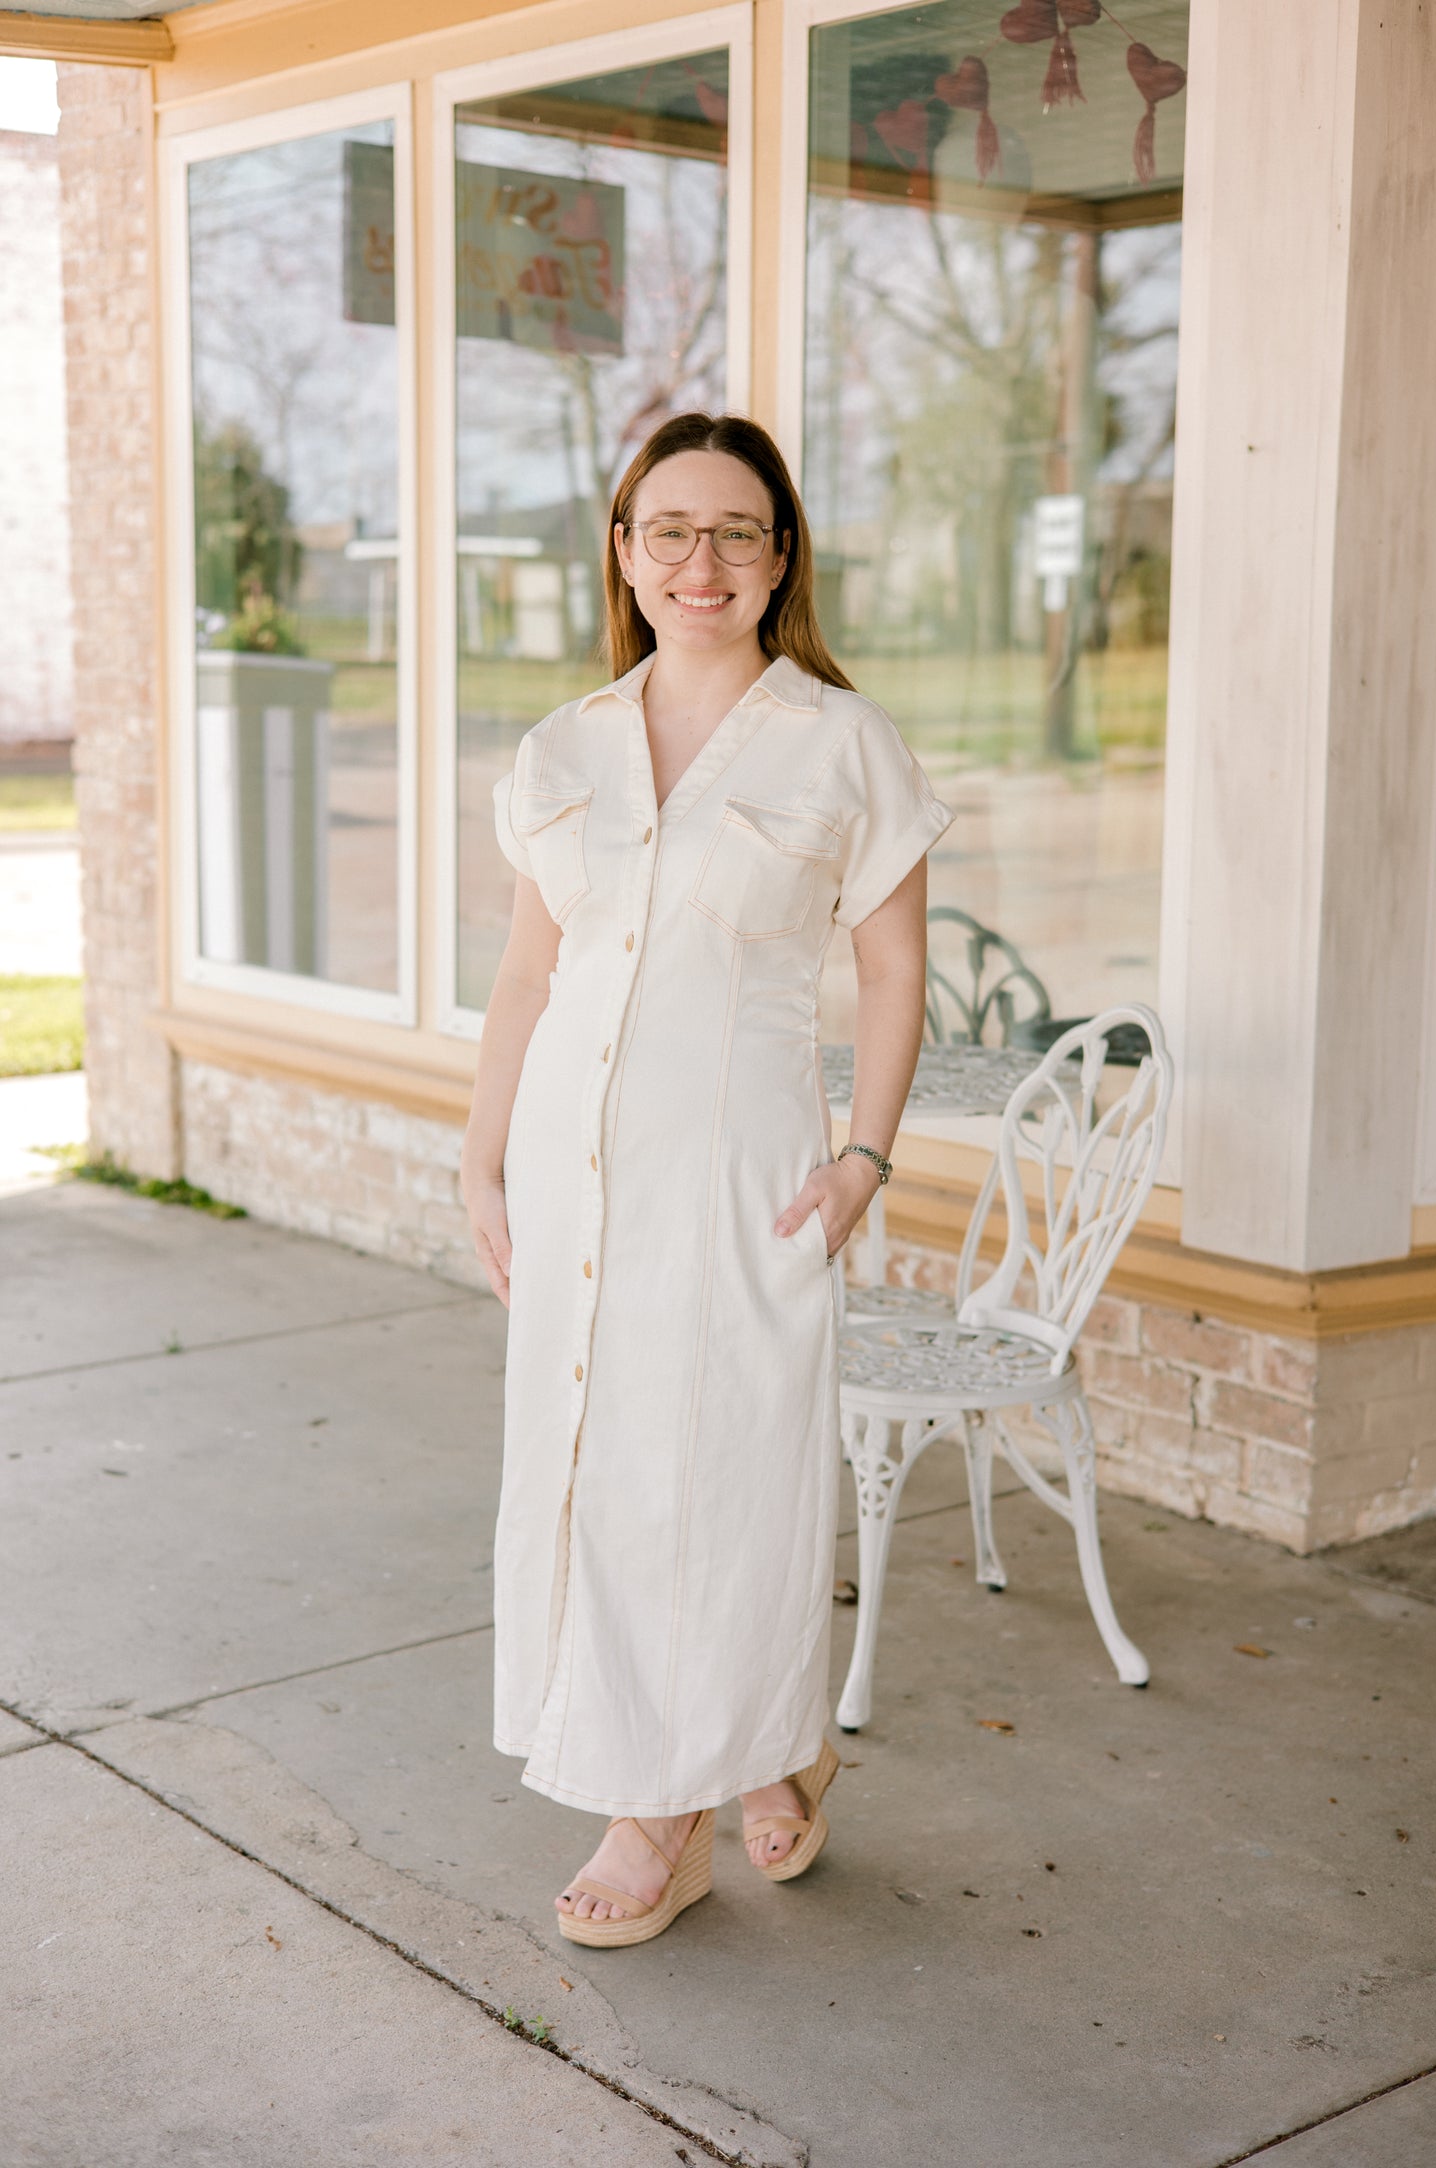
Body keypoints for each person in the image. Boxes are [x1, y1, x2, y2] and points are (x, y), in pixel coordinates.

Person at [460, 411, 953, 1948]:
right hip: (570, 1167)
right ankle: (682, 1785)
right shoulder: (563, 748)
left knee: (726, 1476)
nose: (701, 561)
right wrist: (482, 1160)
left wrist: (863, 1156)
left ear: (780, 556)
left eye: (736, 532)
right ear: (620, 549)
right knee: (596, 1469)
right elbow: (527, 981)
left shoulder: (840, 743)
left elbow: (890, 971)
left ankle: (691, 1786)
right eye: (666, 529)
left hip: (744, 1172)